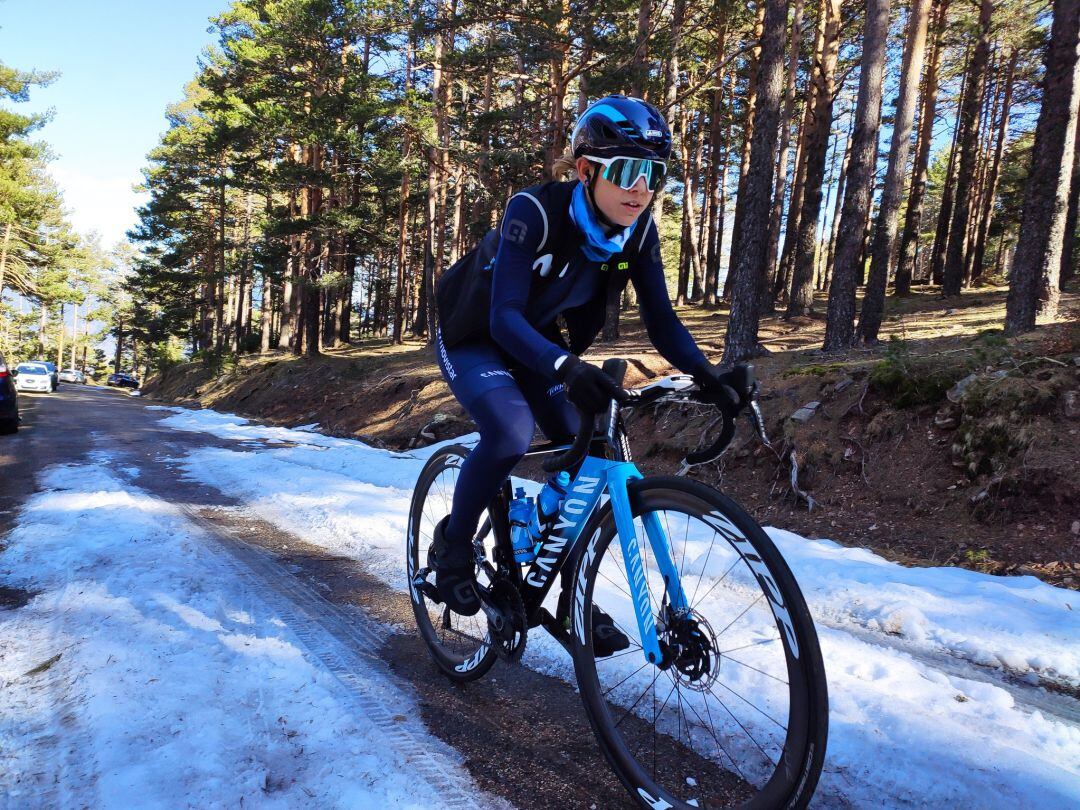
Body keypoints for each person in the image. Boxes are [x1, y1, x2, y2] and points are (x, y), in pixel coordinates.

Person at [431, 95, 743, 649]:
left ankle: (569, 586)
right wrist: (565, 365)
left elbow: (663, 322)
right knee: (508, 433)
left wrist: (708, 376)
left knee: (586, 435)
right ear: (585, 170)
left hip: (538, 340)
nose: (640, 188)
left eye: (653, 175)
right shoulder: (536, 211)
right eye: (626, 171)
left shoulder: (637, 236)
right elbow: (503, 317)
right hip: (476, 332)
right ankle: (453, 545)